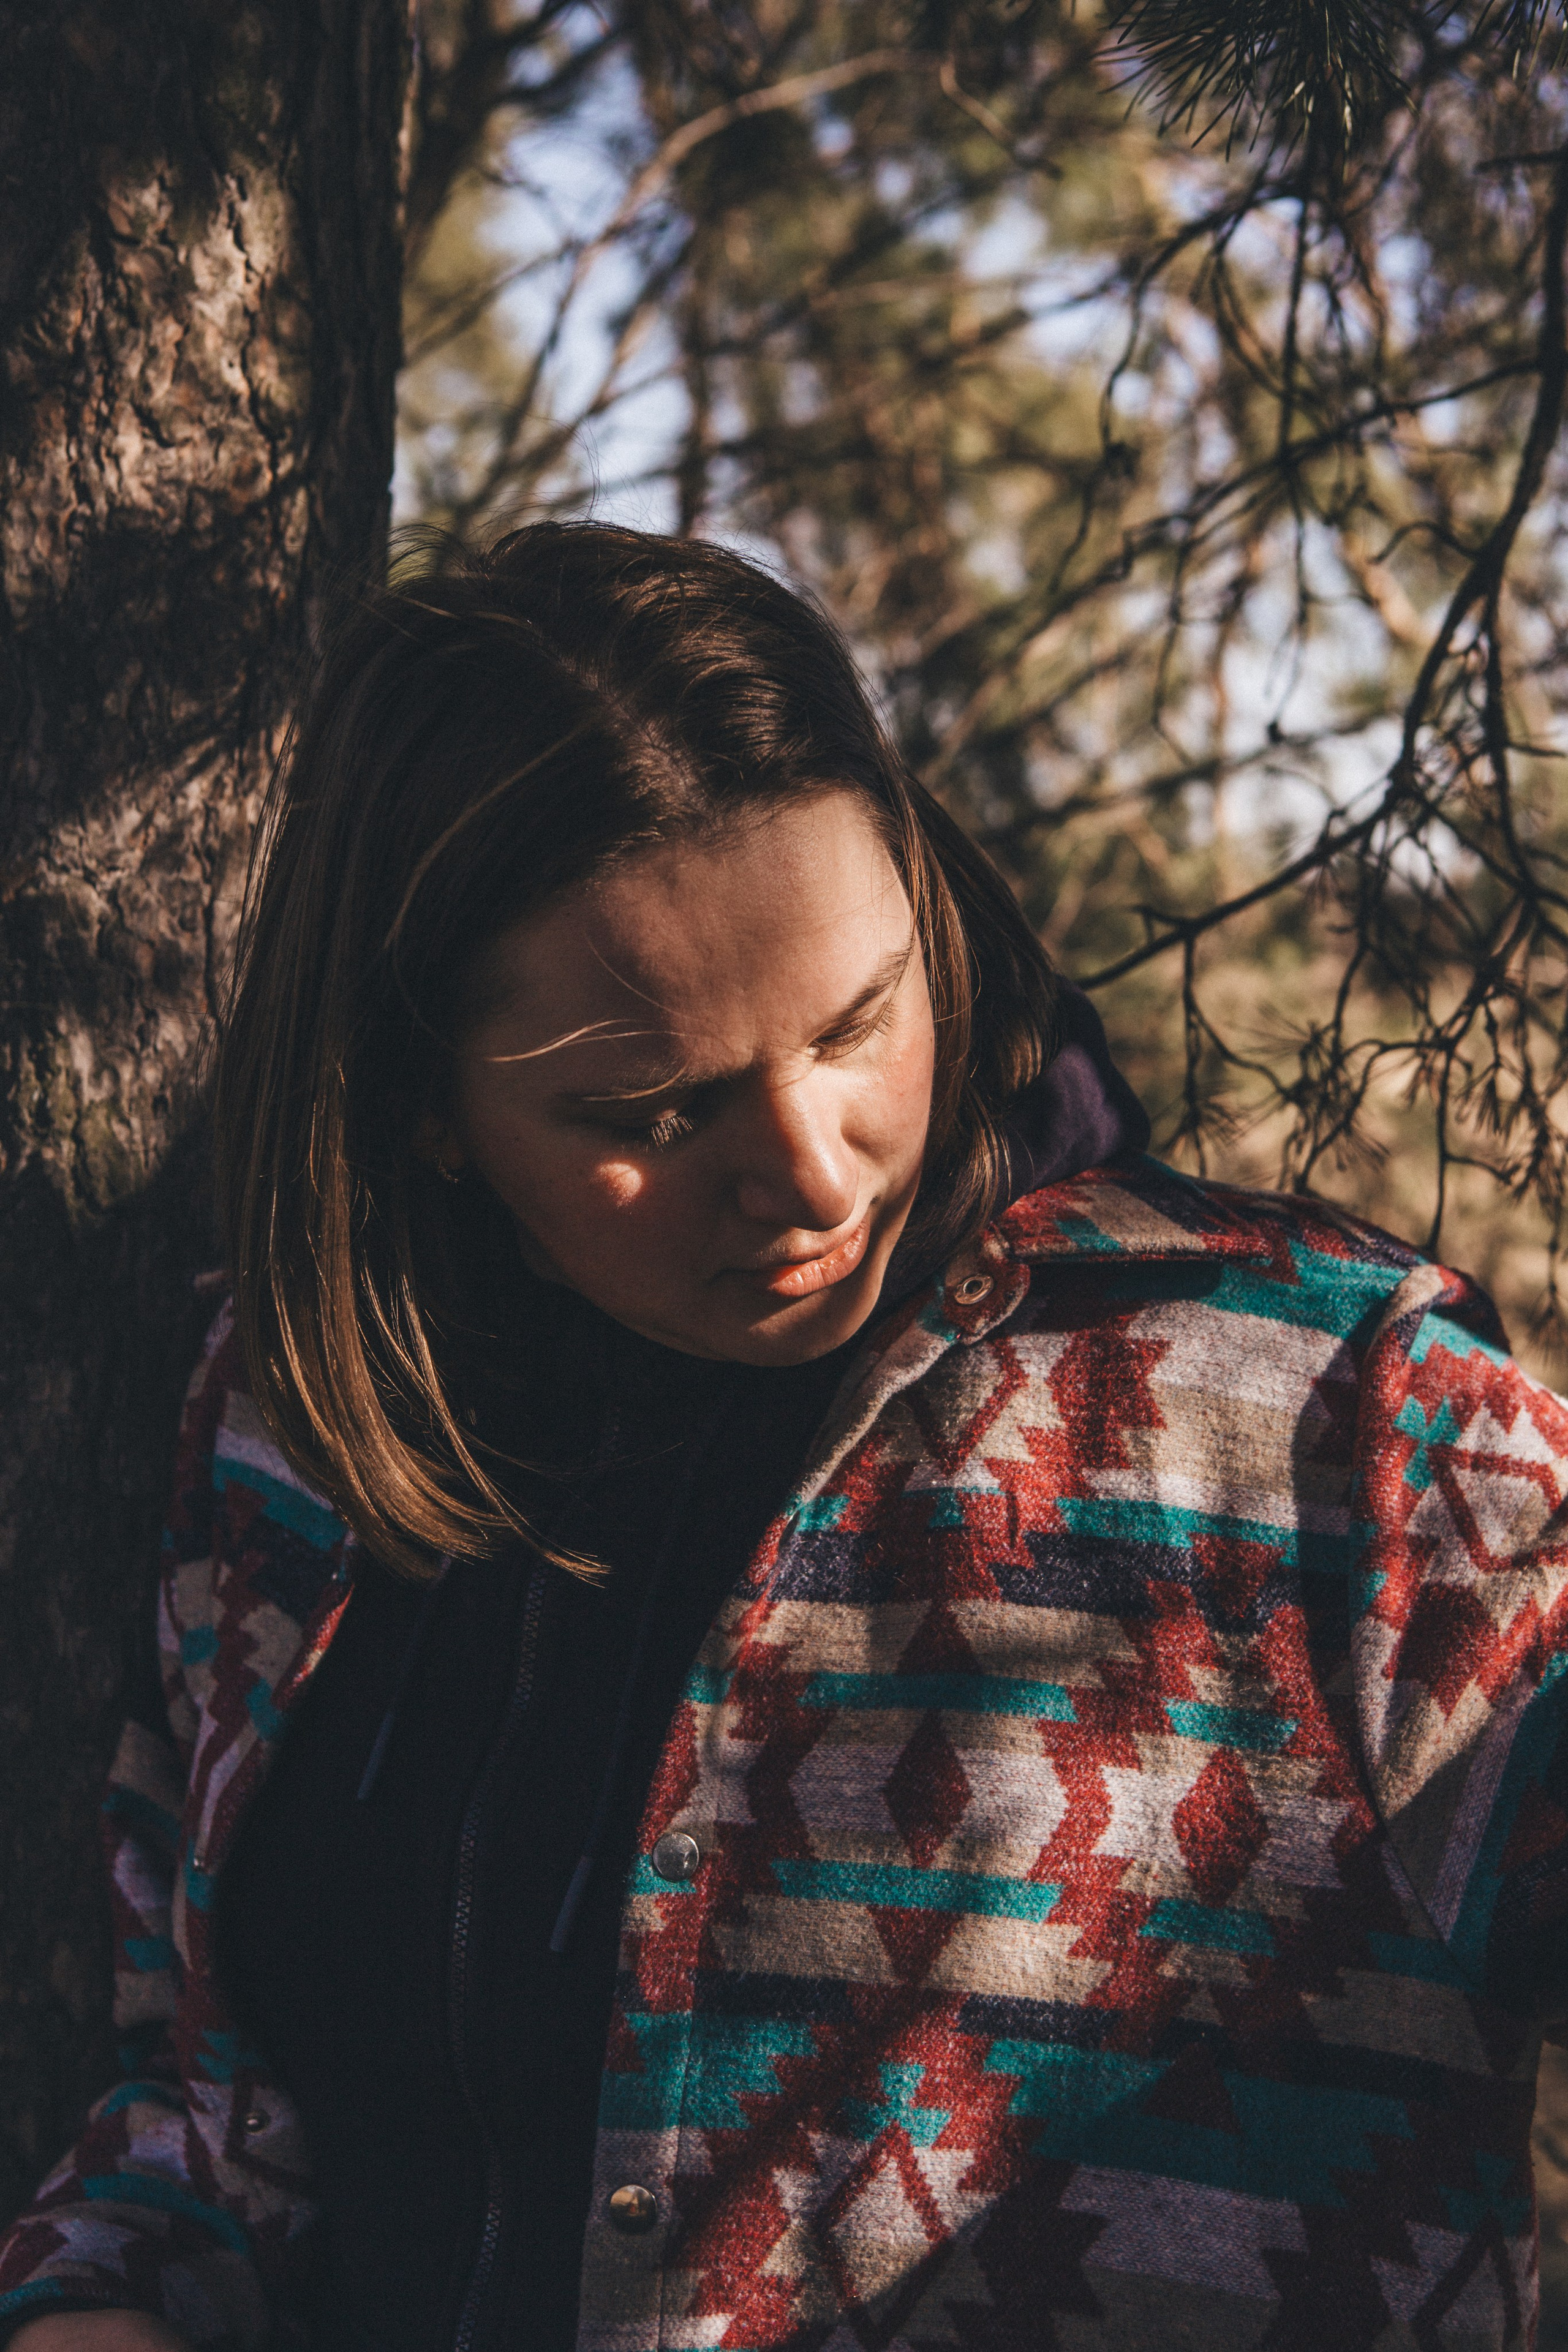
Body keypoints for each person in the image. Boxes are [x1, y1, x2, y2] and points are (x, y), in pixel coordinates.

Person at [0, 523, 1564, 2352]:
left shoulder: (1319, 1411)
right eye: (654, 1110)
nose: (815, 1171)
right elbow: (217, 2127)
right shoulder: (301, 1443)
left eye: (858, 1019)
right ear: (423, 1104)